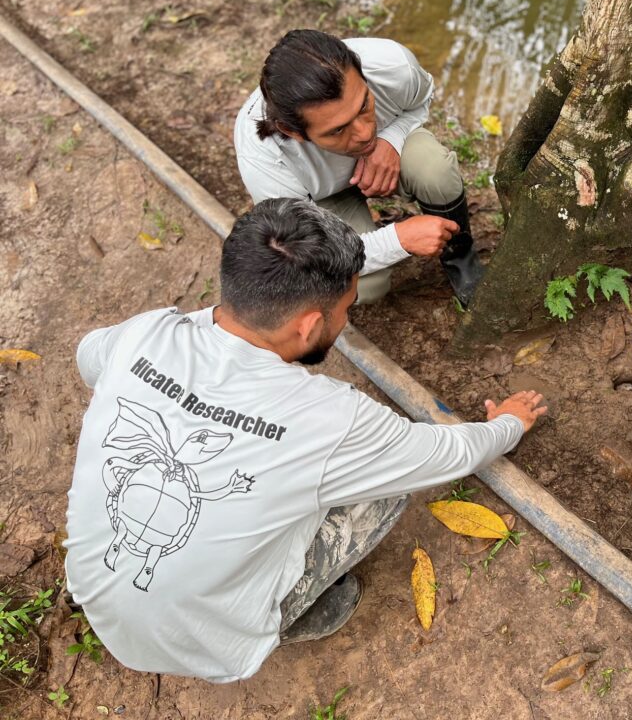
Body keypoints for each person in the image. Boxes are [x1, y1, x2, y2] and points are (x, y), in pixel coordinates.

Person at [64, 199, 546, 682]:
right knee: (388, 486)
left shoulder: (145, 335)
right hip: (214, 647)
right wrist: (508, 424)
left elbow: (89, 357)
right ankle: (289, 617)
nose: (345, 318)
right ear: (311, 325)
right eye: (345, 309)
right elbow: (453, 452)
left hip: (98, 595)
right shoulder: (334, 417)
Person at [234, 29, 484, 306]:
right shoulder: (264, 158)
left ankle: (460, 256)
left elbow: (420, 101)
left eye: (364, 105)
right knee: (366, 285)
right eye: (338, 129)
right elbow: (307, 254)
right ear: (292, 131)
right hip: (322, 196)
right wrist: (398, 239)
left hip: (391, 145)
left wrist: (390, 139)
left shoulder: (392, 65)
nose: (365, 133)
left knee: (434, 171)